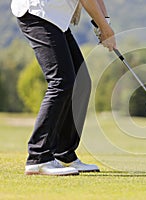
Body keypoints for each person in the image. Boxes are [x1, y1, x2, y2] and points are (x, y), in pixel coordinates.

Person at [11, 0, 116, 176]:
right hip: (37, 13)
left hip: (57, 19)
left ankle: (63, 153)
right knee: (61, 82)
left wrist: (105, 22)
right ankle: (38, 157)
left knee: (80, 83)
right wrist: (105, 28)